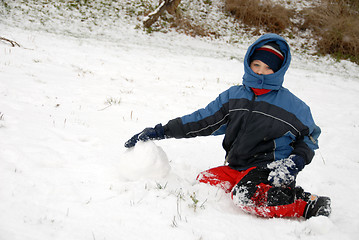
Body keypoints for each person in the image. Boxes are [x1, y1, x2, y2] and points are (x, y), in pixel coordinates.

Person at [124, 33, 331, 219]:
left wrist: (295, 162)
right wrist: (161, 131)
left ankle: (306, 204)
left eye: (269, 68)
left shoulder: (293, 106)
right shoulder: (234, 96)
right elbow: (202, 120)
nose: (261, 72)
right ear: (248, 63)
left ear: (278, 71)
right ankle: (250, 186)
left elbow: (309, 137)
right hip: (236, 166)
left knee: (246, 197)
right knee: (205, 182)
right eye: (257, 65)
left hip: (270, 169)